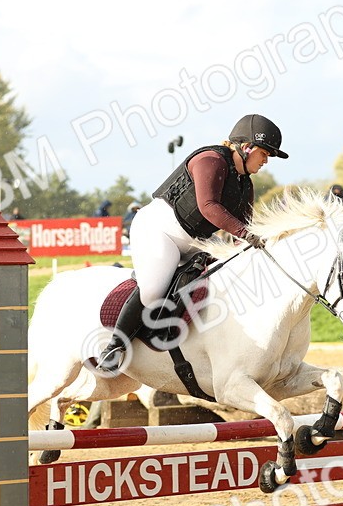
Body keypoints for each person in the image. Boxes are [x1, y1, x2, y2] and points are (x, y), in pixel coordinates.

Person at [90, 113, 287, 375]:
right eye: (264, 153)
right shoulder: (210, 161)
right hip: (160, 231)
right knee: (152, 290)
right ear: (246, 146)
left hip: (198, 242)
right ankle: (115, 346)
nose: (265, 161)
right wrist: (245, 233)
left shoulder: (244, 185)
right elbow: (208, 207)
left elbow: (246, 226)